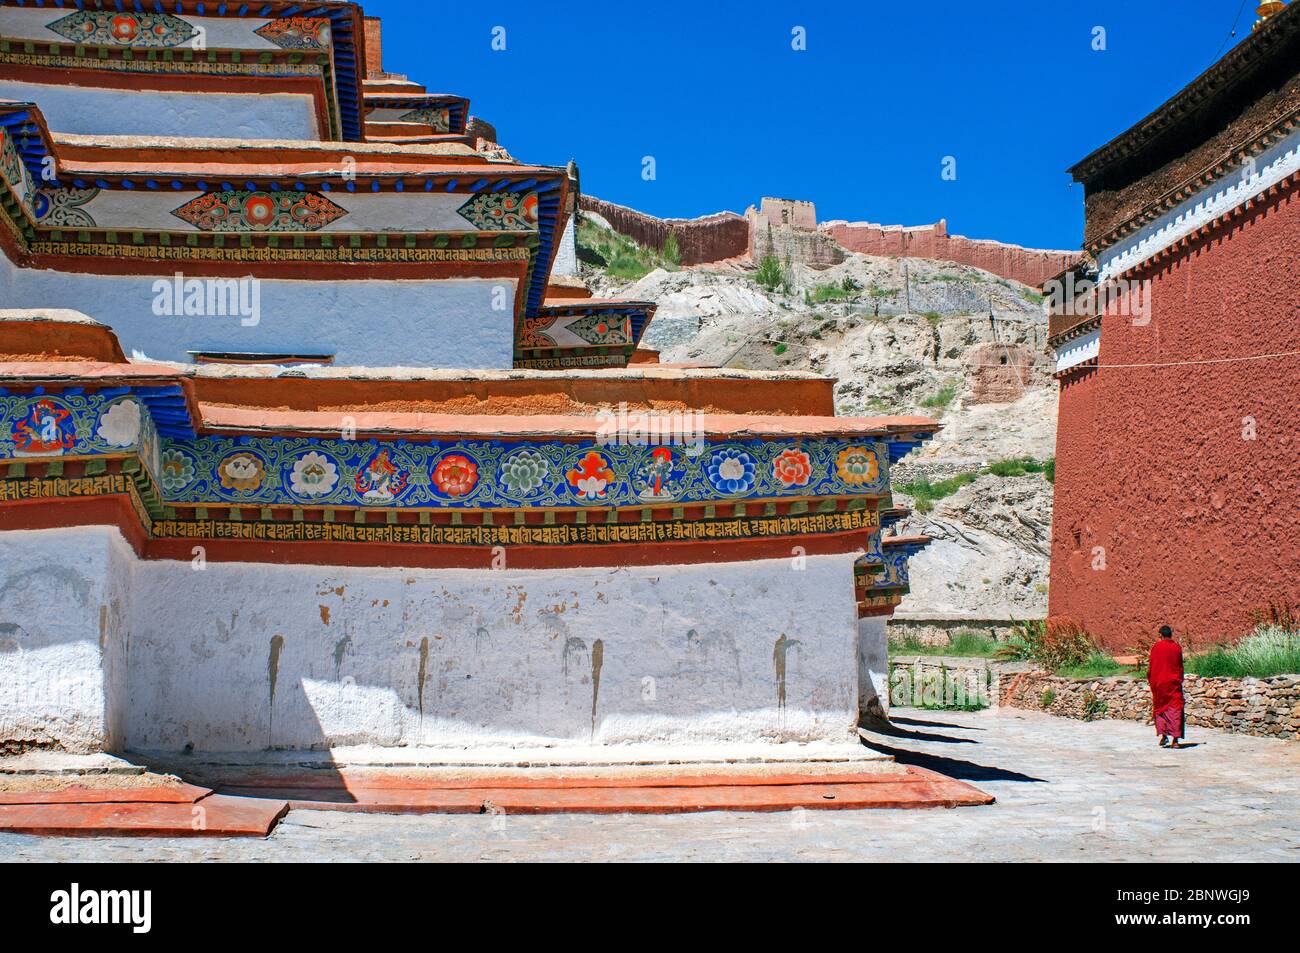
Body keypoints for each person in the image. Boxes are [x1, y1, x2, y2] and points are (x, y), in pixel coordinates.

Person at [1148, 625, 1186, 748]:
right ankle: (1175, 740)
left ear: (1161, 635)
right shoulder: (1176, 648)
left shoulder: (1156, 648)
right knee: (1175, 709)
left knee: (1161, 708)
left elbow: (1153, 665)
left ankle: (1164, 736)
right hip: (1173, 683)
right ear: (1170, 634)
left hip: (1159, 683)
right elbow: (1179, 665)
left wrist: (1151, 679)